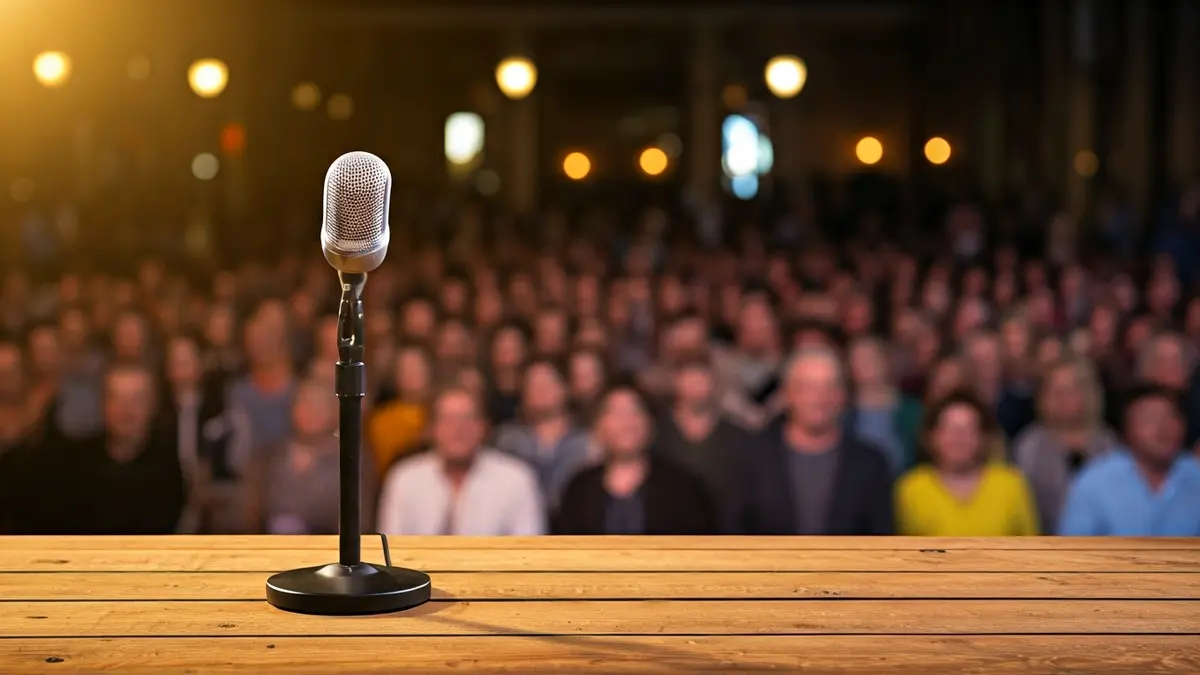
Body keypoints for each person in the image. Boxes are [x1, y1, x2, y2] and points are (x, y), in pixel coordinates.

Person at [738, 346, 894, 535]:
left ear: (842, 395)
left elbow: (882, 538)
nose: (819, 397)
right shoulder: (751, 459)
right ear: (788, 394)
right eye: (808, 387)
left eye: (829, 386)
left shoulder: (871, 464)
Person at [15, 364, 185, 534]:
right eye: (116, 398)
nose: (126, 409)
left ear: (152, 406)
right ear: (103, 405)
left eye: (137, 399)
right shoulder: (73, 463)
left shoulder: (168, 466)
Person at [377, 385, 545, 535]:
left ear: (483, 427)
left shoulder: (517, 480)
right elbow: (389, 555)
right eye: (449, 419)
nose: (458, 428)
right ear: (432, 429)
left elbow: (529, 556)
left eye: (468, 418)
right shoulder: (404, 479)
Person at [555, 381, 717, 535]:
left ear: (650, 423)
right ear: (598, 426)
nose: (626, 422)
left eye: (635, 411)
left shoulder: (683, 488)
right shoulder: (579, 490)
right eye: (615, 413)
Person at [1059, 386, 1200, 536]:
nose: (1163, 428)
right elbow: (1071, 550)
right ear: (1127, 431)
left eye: (1171, 417)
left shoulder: (1196, 474)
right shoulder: (1094, 482)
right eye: (1150, 419)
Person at [895, 390, 1039, 536]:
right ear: (932, 437)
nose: (959, 438)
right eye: (949, 429)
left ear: (983, 437)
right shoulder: (911, 487)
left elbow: (1033, 546)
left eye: (969, 429)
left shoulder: (1012, 484)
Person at [251, 379, 376, 534]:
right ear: (292, 409)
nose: (312, 412)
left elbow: (361, 520)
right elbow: (251, 514)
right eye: (305, 404)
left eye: (319, 406)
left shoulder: (353, 459)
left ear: (335, 411)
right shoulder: (270, 457)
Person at [1013, 358, 1120, 534]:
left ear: (1088, 394)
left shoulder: (1108, 444)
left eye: (1071, 390)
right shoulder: (1029, 445)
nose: (1063, 398)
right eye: (1055, 391)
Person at [162, 334, 252, 534]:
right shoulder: (157, 412)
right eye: (175, 361)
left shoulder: (223, 410)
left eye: (186, 361)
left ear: (201, 363)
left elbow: (238, 464)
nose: (180, 368)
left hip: (216, 500)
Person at [655, 359, 745, 532]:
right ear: (676, 381)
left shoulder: (738, 437)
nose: (696, 386)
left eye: (702, 378)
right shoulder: (655, 434)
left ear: (715, 384)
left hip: (726, 534)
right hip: (669, 534)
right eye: (690, 378)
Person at [494, 359, 592, 508]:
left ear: (564, 388)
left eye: (547, 383)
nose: (540, 390)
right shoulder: (506, 440)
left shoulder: (587, 443)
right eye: (533, 385)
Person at [846, 336, 921, 475]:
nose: (864, 364)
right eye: (857, 359)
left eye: (870, 357)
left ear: (885, 361)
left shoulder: (912, 410)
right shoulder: (842, 413)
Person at [367, 343, 433, 473]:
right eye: (405, 368)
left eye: (417, 366)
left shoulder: (445, 410)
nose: (411, 373)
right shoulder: (382, 419)